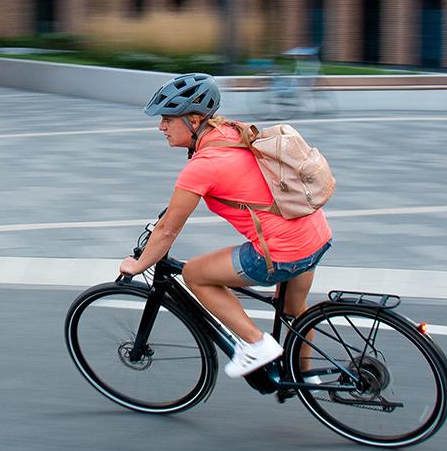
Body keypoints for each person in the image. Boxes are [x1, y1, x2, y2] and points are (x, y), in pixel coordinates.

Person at [118, 72, 332, 378]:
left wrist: (138, 266)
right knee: (293, 310)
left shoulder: (203, 165)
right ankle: (305, 378)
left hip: (281, 250)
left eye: (167, 118)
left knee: (196, 274)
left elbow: (168, 231)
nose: (160, 126)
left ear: (193, 120)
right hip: (315, 235)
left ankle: (257, 345)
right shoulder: (232, 131)